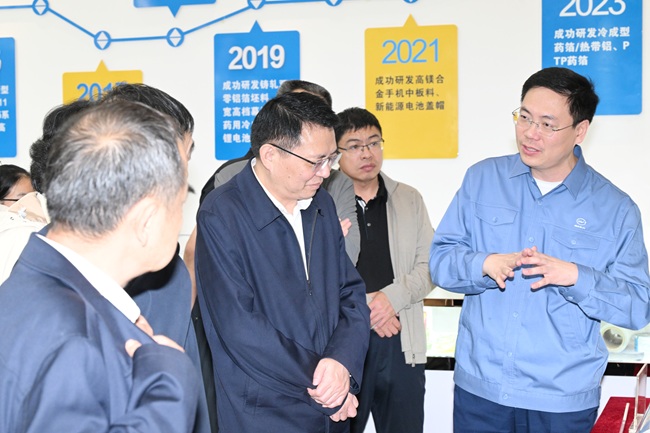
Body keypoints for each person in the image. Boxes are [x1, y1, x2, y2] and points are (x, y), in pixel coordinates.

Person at [429, 67, 650, 432]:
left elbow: (638, 304)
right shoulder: (482, 180)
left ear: (580, 130)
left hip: (561, 398)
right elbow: (439, 261)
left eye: (548, 124)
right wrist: (482, 264)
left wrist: (577, 277)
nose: (530, 133)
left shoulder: (615, 209)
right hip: (481, 391)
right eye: (525, 117)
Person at [0, 100, 200, 432]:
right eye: (179, 204)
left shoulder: (35, 282)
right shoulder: (73, 339)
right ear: (146, 220)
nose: (181, 219)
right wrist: (169, 386)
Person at [195, 91, 370, 433]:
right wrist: (325, 382)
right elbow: (240, 327)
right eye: (315, 161)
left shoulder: (321, 204)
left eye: (331, 158)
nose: (326, 172)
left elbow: (350, 293)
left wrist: (342, 363)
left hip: (331, 406)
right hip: (266, 411)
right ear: (270, 155)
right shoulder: (221, 214)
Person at [335, 107, 434, 433]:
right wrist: (367, 307)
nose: (367, 153)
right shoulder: (322, 202)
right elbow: (311, 274)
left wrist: (390, 299)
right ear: (336, 153)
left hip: (400, 340)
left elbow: (430, 266)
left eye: (374, 142)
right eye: (354, 145)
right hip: (343, 343)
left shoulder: (409, 199)